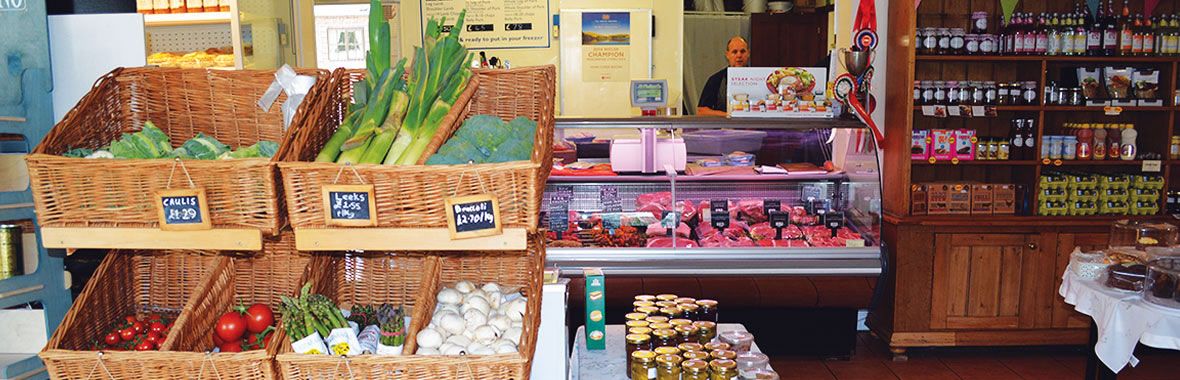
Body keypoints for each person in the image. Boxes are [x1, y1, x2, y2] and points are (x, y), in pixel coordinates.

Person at [697, 36, 749, 116]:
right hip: (725, 127)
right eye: (734, 52)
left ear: (748, 53)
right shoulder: (716, 80)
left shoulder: (759, 78)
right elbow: (701, 111)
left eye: (742, 51)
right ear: (727, 55)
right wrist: (727, 115)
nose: (739, 55)